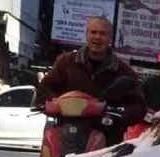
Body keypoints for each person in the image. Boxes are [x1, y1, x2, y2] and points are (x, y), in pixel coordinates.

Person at [38, 16, 145, 145]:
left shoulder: (123, 70)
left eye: (103, 34)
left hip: (106, 141)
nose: (97, 37)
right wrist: (56, 103)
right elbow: (45, 88)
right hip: (66, 136)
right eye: (93, 32)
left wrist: (116, 113)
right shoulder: (66, 62)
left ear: (110, 38)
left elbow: (139, 107)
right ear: (86, 34)